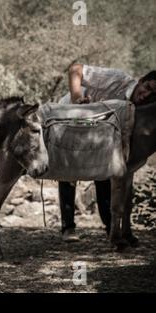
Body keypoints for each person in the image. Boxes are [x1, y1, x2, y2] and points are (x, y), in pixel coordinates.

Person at [59, 64, 156, 242]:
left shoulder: (143, 106)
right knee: (68, 174)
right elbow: (76, 69)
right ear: (141, 81)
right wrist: (77, 99)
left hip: (99, 133)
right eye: (148, 87)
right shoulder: (117, 79)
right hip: (70, 116)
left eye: (153, 95)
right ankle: (68, 228)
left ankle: (111, 228)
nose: (147, 95)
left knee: (104, 174)